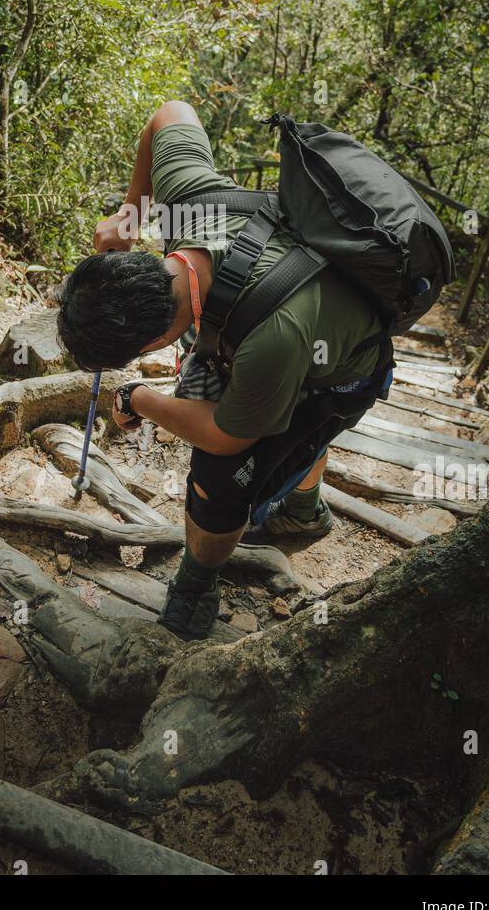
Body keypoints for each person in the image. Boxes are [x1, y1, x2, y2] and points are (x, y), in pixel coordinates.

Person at [57, 100, 392, 641]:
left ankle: (197, 582)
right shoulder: (186, 202)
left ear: (153, 340)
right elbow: (169, 113)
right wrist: (130, 214)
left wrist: (138, 398)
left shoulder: (271, 338)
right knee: (274, 405)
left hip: (344, 370)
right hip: (300, 325)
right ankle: (303, 508)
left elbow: (227, 435)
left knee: (222, 477)